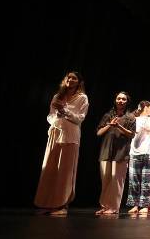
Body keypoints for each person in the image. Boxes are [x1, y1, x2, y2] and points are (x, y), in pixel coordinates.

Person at [35, 71, 89, 215]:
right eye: (69, 77)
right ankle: (47, 202)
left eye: (74, 78)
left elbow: (79, 119)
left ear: (79, 82)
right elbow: (50, 116)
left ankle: (61, 206)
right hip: (55, 134)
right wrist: (56, 116)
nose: (71, 80)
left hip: (70, 137)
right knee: (49, 170)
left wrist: (64, 111)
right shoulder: (57, 96)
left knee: (65, 172)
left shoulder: (82, 98)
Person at [95, 91, 135, 215]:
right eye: (118, 98)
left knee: (116, 181)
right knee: (106, 181)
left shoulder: (130, 117)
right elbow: (99, 133)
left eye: (123, 99)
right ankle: (105, 206)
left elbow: (132, 134)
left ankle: (114, 207)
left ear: (127, 102)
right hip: (106, 151)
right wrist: (110, 125)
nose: (120, 101)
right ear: (115, 100)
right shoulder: (108, 115)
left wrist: (119, 127)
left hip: (121, 153)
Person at [126, 100, 150, 214]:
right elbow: (136, 135)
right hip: (135, 152)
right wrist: (146, 123)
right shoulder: (135, 119)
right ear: (146, 108)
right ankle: (134, 204)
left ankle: (144, 205)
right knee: (134, 180)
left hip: (149, 152)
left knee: (147, 180)